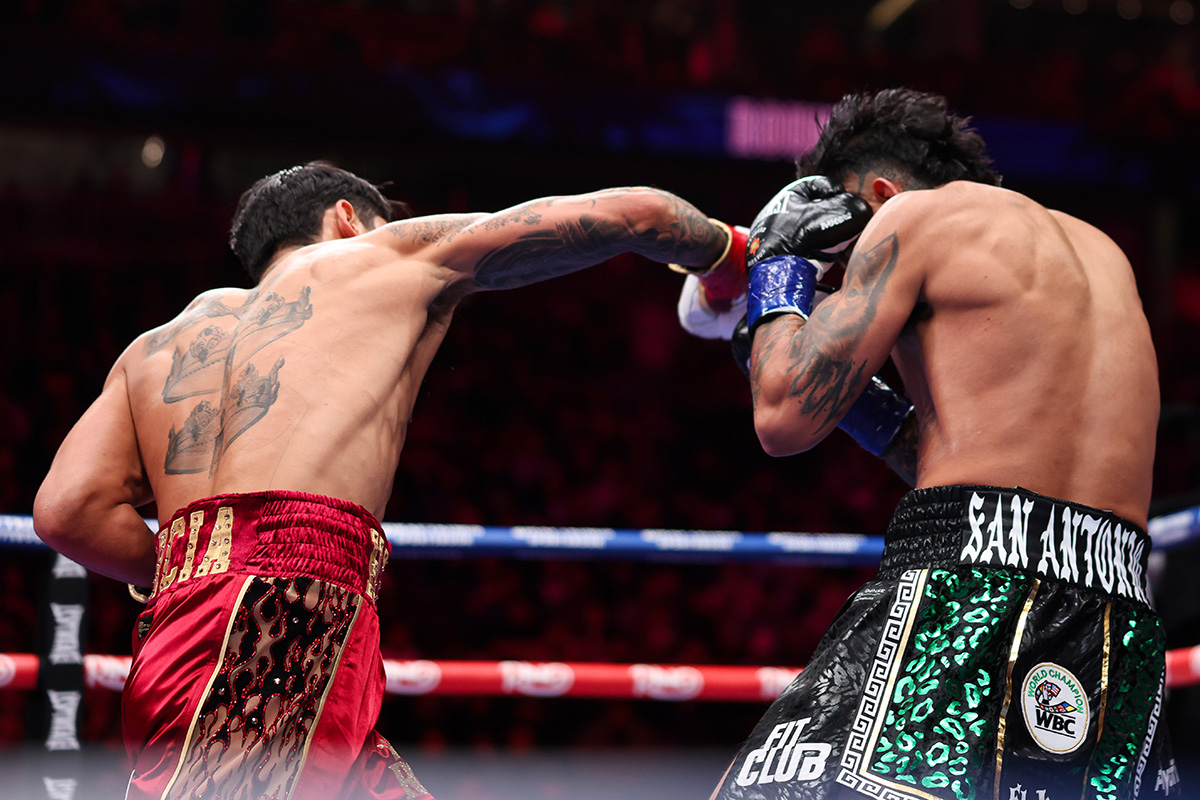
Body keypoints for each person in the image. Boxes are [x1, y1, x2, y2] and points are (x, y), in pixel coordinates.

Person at [31, 161, 742, 800]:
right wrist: (729, 257)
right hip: (283, 613)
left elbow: (67, 511)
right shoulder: (373, 257)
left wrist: (202, 562)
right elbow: (637, 212)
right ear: (348, 218)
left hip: (197, 622)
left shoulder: (155, 346)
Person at [678, 89, 1178, 799]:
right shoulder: (1102, 252)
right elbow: (984, 461)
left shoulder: (912, 218)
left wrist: (780, 267)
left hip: (969, 591)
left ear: (881, 194)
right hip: (1118, 618)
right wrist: (861, 402)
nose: (843, 268)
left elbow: (782, 414)